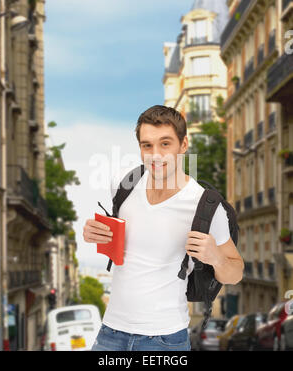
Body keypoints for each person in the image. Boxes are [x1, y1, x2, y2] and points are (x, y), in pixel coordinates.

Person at [83, 105, 244, 351]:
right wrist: (94, 233)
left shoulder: (206, 206)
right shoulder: (124, 185)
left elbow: (235, 272)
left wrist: (216, 257)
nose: (155, 154)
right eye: (147, 145)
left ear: (184, 145)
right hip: (110, 333)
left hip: (164, 340)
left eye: (165, 144)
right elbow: (125, 245)